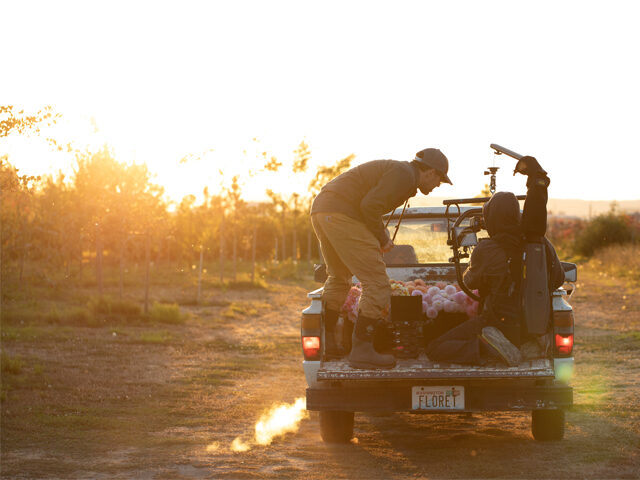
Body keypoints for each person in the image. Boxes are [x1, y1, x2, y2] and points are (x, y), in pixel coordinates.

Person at [311, 148, 452, 369]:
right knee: (377, 284)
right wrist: (382, 237)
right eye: (439, 180)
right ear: (431, 172)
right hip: (341, 212)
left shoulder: (401, 172)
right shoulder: (405, 175)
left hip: (323, 209)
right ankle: (362, 350)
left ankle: (329, 344)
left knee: (339, 277)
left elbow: (367, 204)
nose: (437, 185)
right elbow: (370, 206)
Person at [426, 156, 565, 366]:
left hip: (496, 324)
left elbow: (470, 283)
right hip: (532, 327)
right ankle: (524, 345)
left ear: (490, 218)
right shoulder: (541, 245)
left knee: (434, 348)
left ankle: (486, 347)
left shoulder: (487, 248)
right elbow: (558, 278)